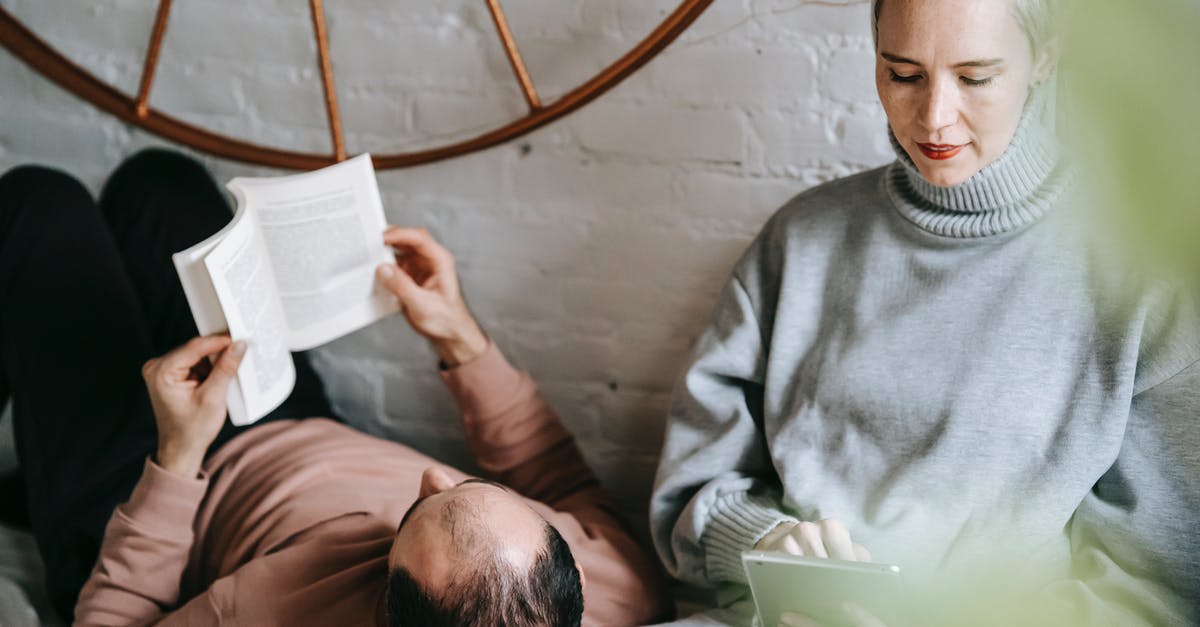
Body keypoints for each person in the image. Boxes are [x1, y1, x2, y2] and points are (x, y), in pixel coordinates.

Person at [650, 0, 1200, 625]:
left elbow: (1158, 586)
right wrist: (764, 545)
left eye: (976, 77)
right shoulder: (801, 240)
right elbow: (689, 496)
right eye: (903, 74)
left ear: (1046, 57)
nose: (934, 118)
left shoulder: (1141, 276)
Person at [0, 149, 672, 626]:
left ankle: (51, 490)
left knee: (35, 203)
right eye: (474, 485)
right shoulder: (614, 588)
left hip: (153, 492)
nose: (434, 475)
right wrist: (459, 337)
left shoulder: (276, 609)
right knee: (158, 183)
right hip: (288, 414)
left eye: (415, 514)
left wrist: (177, 456)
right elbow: (562, 477)